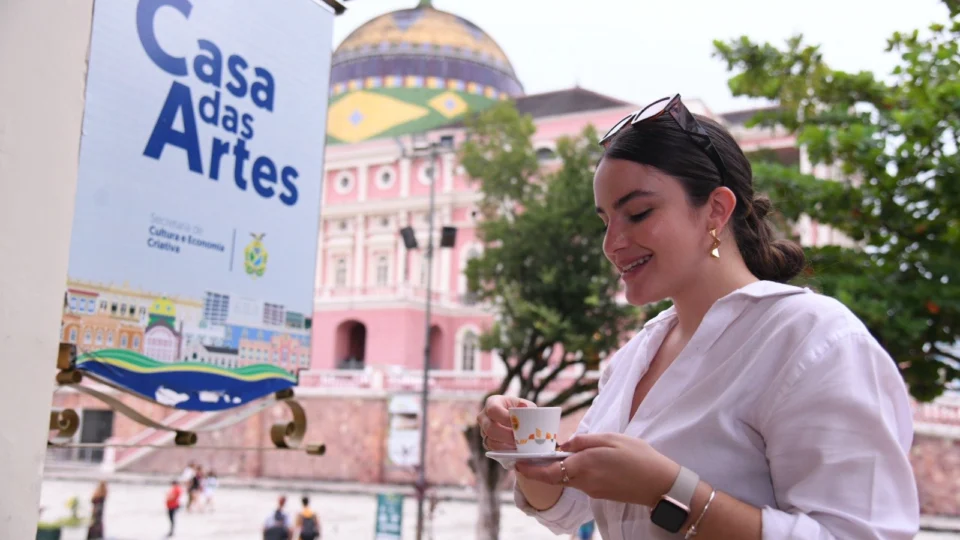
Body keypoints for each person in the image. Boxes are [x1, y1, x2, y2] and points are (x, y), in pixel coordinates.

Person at [477, 94, 920, 539]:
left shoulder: (811, 339)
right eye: (605, 221)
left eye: (637, 213)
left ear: (716, 210)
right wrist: (529, 457)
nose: (612, 243)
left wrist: (668, 490)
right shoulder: (636, 355)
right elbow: (570, 507)